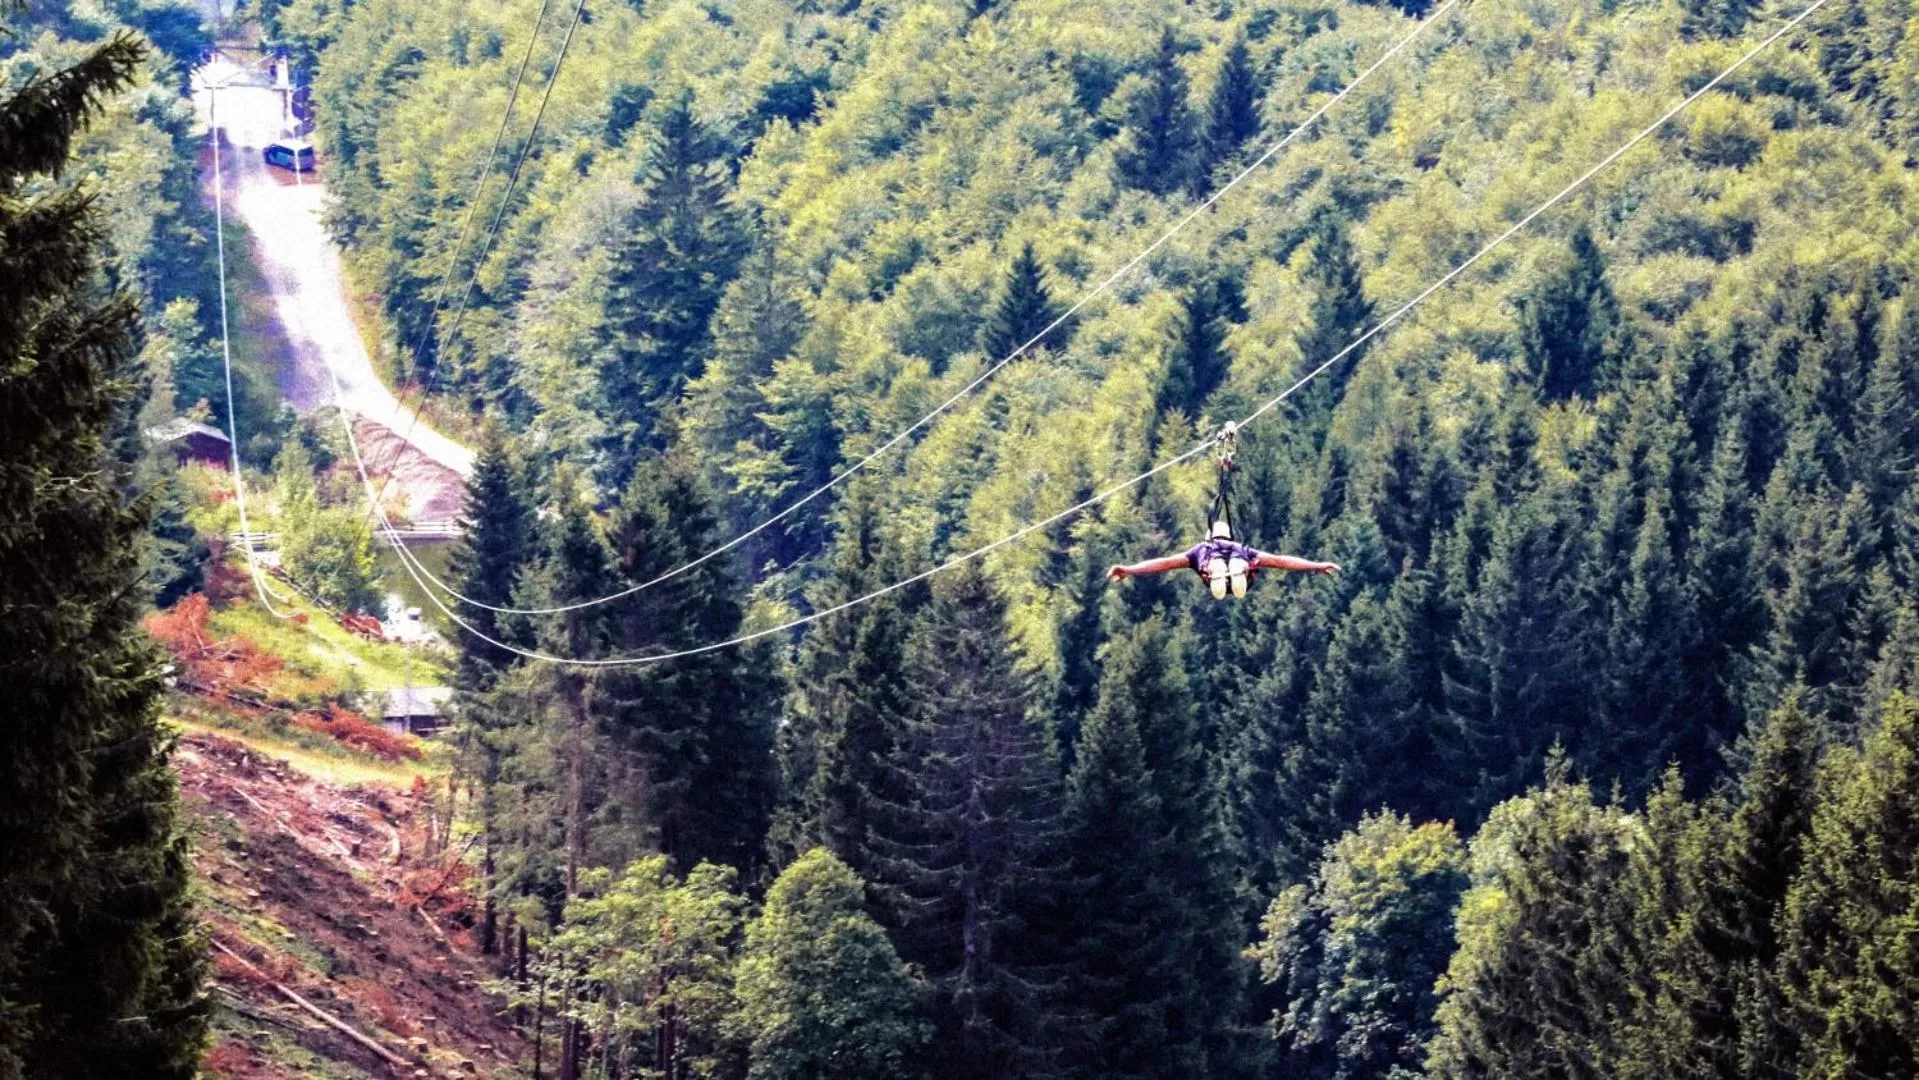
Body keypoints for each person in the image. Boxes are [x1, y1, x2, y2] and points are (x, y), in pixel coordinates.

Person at [1109, 520, 1340, 599]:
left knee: (1215, 583)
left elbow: (1161, 563)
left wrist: (1129, 569)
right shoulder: (1242, 547)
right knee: (1244, 577)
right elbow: (1282, 561)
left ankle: (1217, 569)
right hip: (1241, 557)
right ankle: (1236, 570)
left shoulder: (1199, 548)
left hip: (1207, 560)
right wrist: (1316, 566)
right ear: (1228, 535)